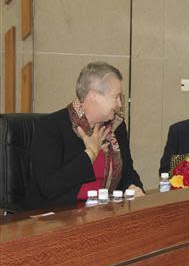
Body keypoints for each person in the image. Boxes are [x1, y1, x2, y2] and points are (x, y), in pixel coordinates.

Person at [31, 61, 144, 208]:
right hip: (62, 216)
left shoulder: (117, 127)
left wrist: (134, 187)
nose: (120, 104)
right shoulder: (51, 127)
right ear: (93, 95)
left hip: (107, 212)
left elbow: (127, 171)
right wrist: (90, 153)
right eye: (115, 97)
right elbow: (50, 187)